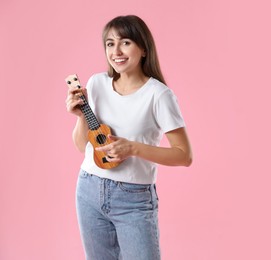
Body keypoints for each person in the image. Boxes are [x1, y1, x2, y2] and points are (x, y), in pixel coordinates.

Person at [65, 15, 192, 260]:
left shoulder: (159, 95)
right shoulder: (96, 84)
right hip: (88, 188)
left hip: (133, 198)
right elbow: (84, 147)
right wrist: (81, 117)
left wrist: (132, 148)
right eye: (110, 44)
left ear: (143, 48)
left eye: (125, 42)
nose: (116, 51)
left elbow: (184, 155)